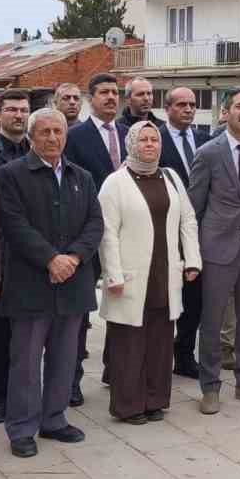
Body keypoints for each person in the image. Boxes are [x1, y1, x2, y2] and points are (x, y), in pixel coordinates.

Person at [0, 107, 101, 456]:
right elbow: (13, 223)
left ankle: (54, 419)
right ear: (31, 136)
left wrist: (73, 258)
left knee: (64, 356)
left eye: (58, 131)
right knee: (25, 360)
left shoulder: (81, 176)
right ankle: (22, 428)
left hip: (73, 282)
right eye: (45, 132)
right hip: (31, 283)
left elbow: (94, 224)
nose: (53, 138)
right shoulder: (11, 174)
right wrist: (50, 258)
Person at [99, 120, 200, 422]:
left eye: (154, 139)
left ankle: (155, 400)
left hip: (164, 272)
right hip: (129, 277)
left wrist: (192, 260)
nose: (149, 145)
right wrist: (112, 275)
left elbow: (188, 220)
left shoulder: (170, 177)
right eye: (142, 140)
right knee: (129, 343)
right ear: (132, 144)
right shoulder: (115, 183)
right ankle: (128, 406)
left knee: (159, 340)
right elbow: (106, 233)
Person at [188, 86, 240, 412]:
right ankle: (210, 387)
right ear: (226, 112)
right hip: (217, 248)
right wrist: (193, 253)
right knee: (212, 321)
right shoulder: (208, 152)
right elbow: (194, 208)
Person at [64, 71, 127, 404]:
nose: (111, 98)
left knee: (123, 302)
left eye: (115, 92)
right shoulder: (75, 136)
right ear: (91, 98)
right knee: (80, 310)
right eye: (104, 92)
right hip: (87, 234)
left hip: (125, 235)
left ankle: (115, 369)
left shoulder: (130, 134)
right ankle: (71, 379)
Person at [0, 88, 33, 424]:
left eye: (23, 110)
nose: (18, 115)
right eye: (11, 110)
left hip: (31, 257)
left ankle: (25, 394)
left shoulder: (37, 149)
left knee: (28, 334)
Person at [158, 86, 208, 376]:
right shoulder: (157, 140)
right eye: (182, 104)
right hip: (165, 229)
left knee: (194, 298)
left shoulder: (204, 139)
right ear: (168, 108)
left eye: (192, 104)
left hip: (199, 231)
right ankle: (158, 354)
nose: (188, 109)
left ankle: (185, 354)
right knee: (165, 298)